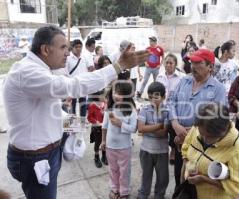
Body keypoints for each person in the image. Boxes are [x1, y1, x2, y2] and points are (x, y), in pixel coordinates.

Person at [3, 25, 149, 199]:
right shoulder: (27, 73)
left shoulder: (40, 70)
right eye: (63, 47)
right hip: (35, 159)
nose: (68, 52)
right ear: (45, 49)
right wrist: (118, 66)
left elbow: (49, 111)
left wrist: (77, 125)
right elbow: (74, 86)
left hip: (43, 154)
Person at [168, 49, 226, 188]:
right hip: (178, 138)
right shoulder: (185, 80)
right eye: (191, 62)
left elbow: (218, 118)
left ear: (210, 67)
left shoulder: (218, 89)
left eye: (198, 63)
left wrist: (191, 132)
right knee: (179, 177)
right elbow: (171, 101)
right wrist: (175, 124)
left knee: (194, 182)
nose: (193, 66)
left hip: (200, 143)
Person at [181, 103, 239, 199]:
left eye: (209, 137)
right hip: (190, 193)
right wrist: (187, 164)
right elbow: (186, 146)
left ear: (223, 131)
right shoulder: (200, 127)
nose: (203, 139)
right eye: (201, 134)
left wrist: (203, 179)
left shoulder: (237, 149)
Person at [101, 80, 137, 199]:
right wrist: (103, 141)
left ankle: (124, 192)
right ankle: (114, 189)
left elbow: (133, 129)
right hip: (110, 146)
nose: (116, 95)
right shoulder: (110, 109)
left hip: (124, 147)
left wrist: (120, 124)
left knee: (124, 171)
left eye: (120, 93)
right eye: (115, 92)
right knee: (113, 169)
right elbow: (104, 126)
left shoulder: (131, 111)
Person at [137, 82, 169, 199]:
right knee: (146, 175)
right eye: (150, 97)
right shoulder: (144, 109)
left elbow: (163, 133)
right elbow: (140, 128)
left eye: (156, 97)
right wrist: (159, 125)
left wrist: (148, 127)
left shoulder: (167, 111)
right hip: (146, 149)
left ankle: (159, 195)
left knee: (162, 177)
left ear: (163, 97)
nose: (152, 100)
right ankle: (143, 194)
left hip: (162, 151)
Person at [156, 54, 185, 165]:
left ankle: (173, 150)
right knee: (162, 129)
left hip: (175, 108)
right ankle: (163, 150)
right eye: (166, 62)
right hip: (162, 107)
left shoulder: (181, 77)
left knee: (173, 130)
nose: (168, 65)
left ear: (175, 64)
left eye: (171, 63)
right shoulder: (160, 76)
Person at [66, 39, 90, 119]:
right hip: (72, 84)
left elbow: (88, 69)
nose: (78, 49)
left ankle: (83, 121)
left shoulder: (84, 57)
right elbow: (65, 71)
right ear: (72, 48)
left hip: (82, 84)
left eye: (80, 47)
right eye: (76, 47)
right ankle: (73, 120)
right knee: (72, 104)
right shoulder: (68, 58)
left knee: (83, 103)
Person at [87, 90, 107, 168]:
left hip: (104, 127)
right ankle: (96, 156)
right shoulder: (92, 105)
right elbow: (89, 117)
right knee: (98, 142)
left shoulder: (105, 104)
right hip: (97, 128)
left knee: (104, 141)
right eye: (103, 96)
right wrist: (96, 121)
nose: (105, 98)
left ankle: (104, 155)